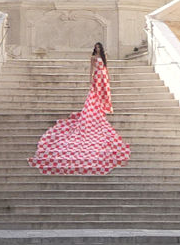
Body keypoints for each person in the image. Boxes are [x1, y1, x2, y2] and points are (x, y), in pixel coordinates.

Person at [28, 42, 130, 175]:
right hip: (97, 76)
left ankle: (102, 107)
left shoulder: (104, 57)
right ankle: (95, 108)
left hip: (103, 76)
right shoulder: (93, 57)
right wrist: (90, 79)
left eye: (99, 47)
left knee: (103, 94)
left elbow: (106, 68)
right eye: (96, 48)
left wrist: (107, 78)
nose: (97, 49)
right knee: (94, 95)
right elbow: (91, 69)